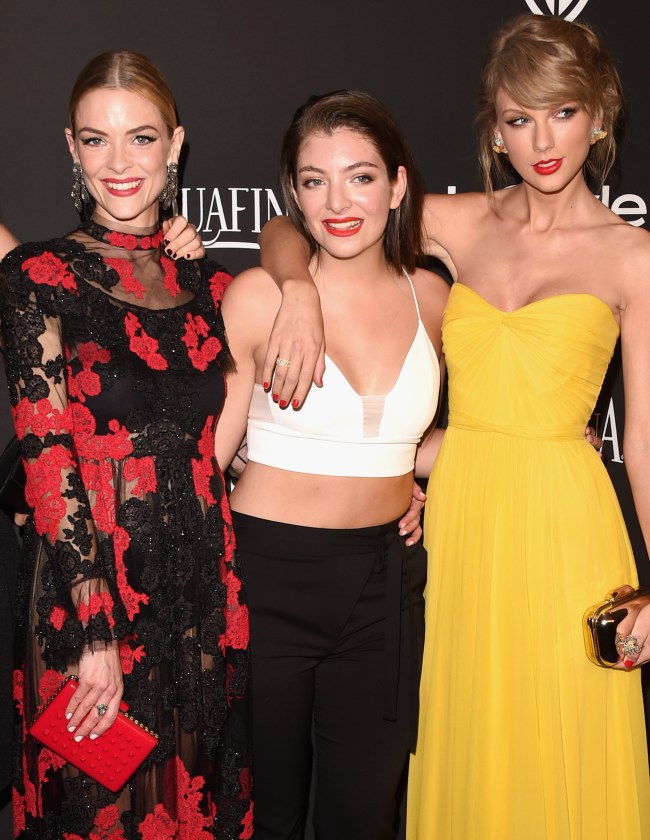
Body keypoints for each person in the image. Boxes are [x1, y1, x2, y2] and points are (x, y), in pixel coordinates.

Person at [258, 15, 650, 840]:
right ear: (495, 130)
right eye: (517, 118)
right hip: (462, 521)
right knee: (464, 729)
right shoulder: (456, 220)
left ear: (601, 115)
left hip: (567, 529)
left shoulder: (632, 257)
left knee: (560, 741)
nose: (541, 139)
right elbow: (297, 222)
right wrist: (295, 292)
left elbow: (643, 442)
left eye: (563, 111)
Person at [0, 52, 253, 838]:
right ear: (71, 148)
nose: (119, 163)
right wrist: (94, 629)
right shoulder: (36, 276)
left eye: (140, 139)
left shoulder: (214, 287)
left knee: (198, 803)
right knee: (101, 810)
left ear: (174, 146)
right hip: (90, 586)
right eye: (96, 140)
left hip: (202, 594)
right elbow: (46, 454)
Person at [214, 90, 449, 840]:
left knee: (365, 816)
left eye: (361, 176)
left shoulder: (435, 298)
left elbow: (447, 434)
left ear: (399, 185)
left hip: (385, 585)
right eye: (314, 180)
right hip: (264, 580)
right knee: (267, 818)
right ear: (294, 194)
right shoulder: (257, 297)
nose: (338, 201)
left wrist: (431, 477)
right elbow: (203, 459)